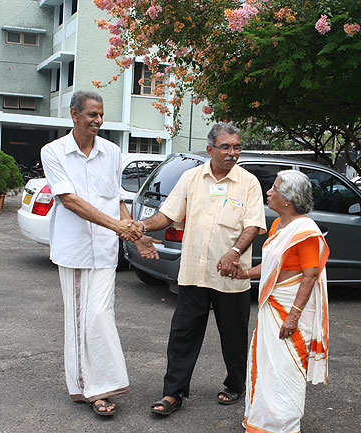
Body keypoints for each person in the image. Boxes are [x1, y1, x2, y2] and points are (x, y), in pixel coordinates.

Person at [136, 123, 266, 416]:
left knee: (233, 336)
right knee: (183, 335)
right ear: (210, 150)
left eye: (236, 147)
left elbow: (253, 225)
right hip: (194, 272)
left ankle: (235, 384)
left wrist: (234, 253)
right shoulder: (191, 178)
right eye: (226, 147)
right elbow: (168, 215)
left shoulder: (248, 183)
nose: (232, 153)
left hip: (231, 275)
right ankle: (173, 393)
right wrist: (142, 226)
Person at [40, 90, 144, 417]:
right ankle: (89, 388)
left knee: (100, 315)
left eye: (101, 115)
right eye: (91, 115)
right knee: (78, 321)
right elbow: (69, 200)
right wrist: (118, 226)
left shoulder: (112, 152)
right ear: (74, 115)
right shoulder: (53, 152)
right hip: (73, 251)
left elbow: (116, 199)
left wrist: (133, 233)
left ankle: (105, 382)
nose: (98, 121)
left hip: (105, 249)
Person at [233, 170, 330, 433]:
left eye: (274, 188)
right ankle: (262, 422)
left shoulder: (306, 231)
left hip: (290, 311)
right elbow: (272, 266)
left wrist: (293, 316)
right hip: (272, 306)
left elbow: (310, 276)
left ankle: (284, 425)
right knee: (266, 365)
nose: (269, 192)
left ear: (288, 199)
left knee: (286, 368)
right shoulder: (278, 226)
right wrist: (244, 273)